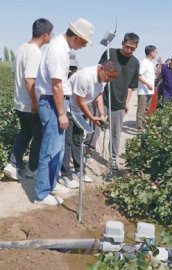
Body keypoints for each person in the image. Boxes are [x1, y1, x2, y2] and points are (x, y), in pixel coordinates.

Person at [34, 18, 95, 205]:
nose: (84, 46)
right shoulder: (59, 50)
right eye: (84, 42)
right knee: (50, 150)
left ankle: (50, 184)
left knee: (58, 149)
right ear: (76, 37)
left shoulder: (61, 47)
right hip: (53, 103)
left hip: (57, 102)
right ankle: (41, 194)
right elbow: (57, 86)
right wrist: (62, 113)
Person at [3, 18, 54, 181]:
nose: (51, 37)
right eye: (51, 34)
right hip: (29, 103)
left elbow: (14, 75)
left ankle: (13, 164)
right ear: (45, 35)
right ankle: (32, 169)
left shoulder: (21, 48)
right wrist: (34, 102)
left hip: (19, 101)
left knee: (25, 132)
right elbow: (30, 80)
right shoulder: (35, 52)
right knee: (38, 134)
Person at [60, 59, 119, 188]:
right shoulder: (85, 77)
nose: (108, 80)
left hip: (79, 110)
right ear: (102, 69)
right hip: (69, 107)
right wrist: (92, 117)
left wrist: (101, 115)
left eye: (111, 79)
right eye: (108, 77)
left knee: (78, 140)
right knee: (67, 141)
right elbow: (80, 101)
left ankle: (78, 170)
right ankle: (65, 174)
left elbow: (98, 96)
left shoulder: (103, 80)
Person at [87, 32, 140, 172]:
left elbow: (131, 86)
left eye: (132, 49)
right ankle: (88, 150)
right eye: (127, 46)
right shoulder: (110, 53)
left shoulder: (135, 63)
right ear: (122, 43)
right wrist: (97, 93)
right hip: (103, 98)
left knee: (116, 132)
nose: (129, 50)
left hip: (120, 102)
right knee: (96, 125)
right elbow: (99, 71)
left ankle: (113, 158)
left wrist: (126, 103)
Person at [136, 45, 158, 130]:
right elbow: (139, 76)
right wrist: (148, 84)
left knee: (146, 109)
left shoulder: (151, 64)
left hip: (149, 91)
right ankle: (139, 127)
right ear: (151, 52)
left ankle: (143, 125)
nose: (156, 53)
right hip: (143, 91)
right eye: (155, 52)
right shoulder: (144, 62)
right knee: (141, 110)